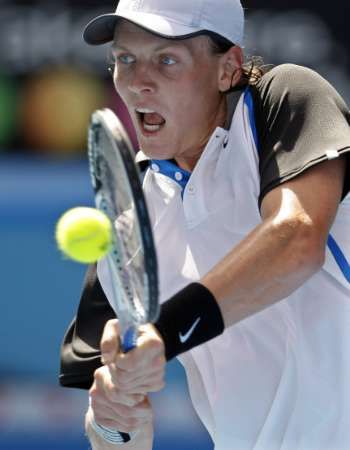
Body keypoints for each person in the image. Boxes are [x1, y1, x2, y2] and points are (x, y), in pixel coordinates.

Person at [59, 0, 350, 449]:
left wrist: (165, 334)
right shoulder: (127, 218)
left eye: (167, 60)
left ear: (227, 69)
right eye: (125, 59)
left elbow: (297, 240)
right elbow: (116, 439)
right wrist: (115, 419)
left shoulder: (284, 101)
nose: (137, 83)